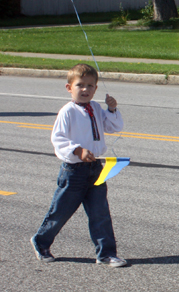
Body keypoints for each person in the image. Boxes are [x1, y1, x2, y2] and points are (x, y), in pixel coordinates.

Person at [30, 63, 127, 267]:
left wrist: (112, 109)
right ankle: (41, 241)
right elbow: (58, 139)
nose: (85, 90)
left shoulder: (96, 108)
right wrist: (77, 150)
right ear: (69, 88)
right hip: (73, 171)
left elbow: (114, 126)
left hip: (95, 169)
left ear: (96, 89)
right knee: (61, 211)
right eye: (80, 85)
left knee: (100, 212)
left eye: (90, 86)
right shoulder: (67, 111)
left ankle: (106, 253)